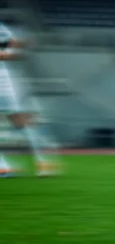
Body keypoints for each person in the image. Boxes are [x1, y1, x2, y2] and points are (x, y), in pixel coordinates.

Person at [0, 21, 59, 178]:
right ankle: (3, 166)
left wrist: (18, 46)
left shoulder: (1, 29)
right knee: (22, 119)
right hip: (3, 83)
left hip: (3, 82)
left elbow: (12, 45)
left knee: (20, 120)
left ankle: (42, 161)